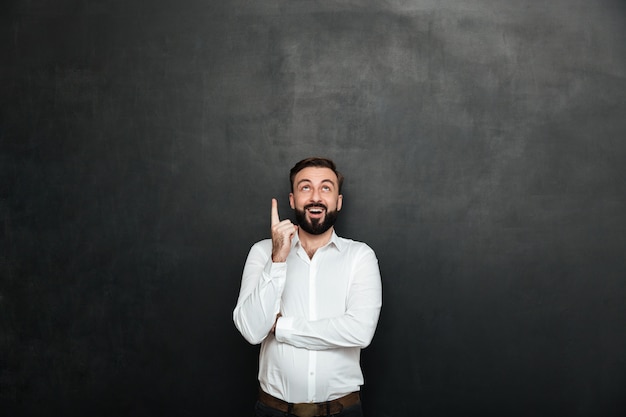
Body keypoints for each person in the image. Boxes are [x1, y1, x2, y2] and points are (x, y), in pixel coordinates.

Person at [233, 157, 382, 417]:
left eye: (326, 188)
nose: (316, 197)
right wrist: (277, 259)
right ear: (292, 199)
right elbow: (252, 330)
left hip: (342, 411)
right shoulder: (262, 252)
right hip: (273, 410)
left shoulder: (360, 256)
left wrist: (282, 327)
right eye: (305, 187)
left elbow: (360, 331)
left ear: (338, 201)